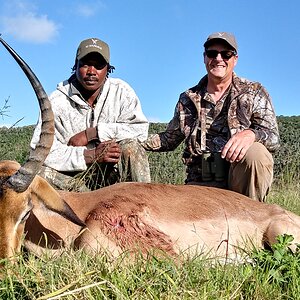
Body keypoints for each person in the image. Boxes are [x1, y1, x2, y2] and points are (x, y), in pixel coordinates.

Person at [143, 32, 280, 201]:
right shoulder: (187, 98)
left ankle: (252, 219)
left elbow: (273, 138)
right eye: (212, 53)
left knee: (256, 153)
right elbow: (168, 139)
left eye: (226, 54)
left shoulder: (254, 92)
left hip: (237, 183)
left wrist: (252, 134)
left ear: (235, 59)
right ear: (204, 58)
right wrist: (134, 139)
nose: (218, 58)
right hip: (198, 186)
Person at [31, 37, 151, 191]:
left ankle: (141, 203)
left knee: (131, 148)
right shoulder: (56, 101)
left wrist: (93, 133)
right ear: (75, 66)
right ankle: (83, 205)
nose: (91, 72)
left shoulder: (122, 92)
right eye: (85, 64)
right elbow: (40, 151)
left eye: (98, 65)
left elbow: (140, 130)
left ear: (108, 69)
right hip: (74, 181)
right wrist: (90, 155)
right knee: (38, 173)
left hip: (113, 177)